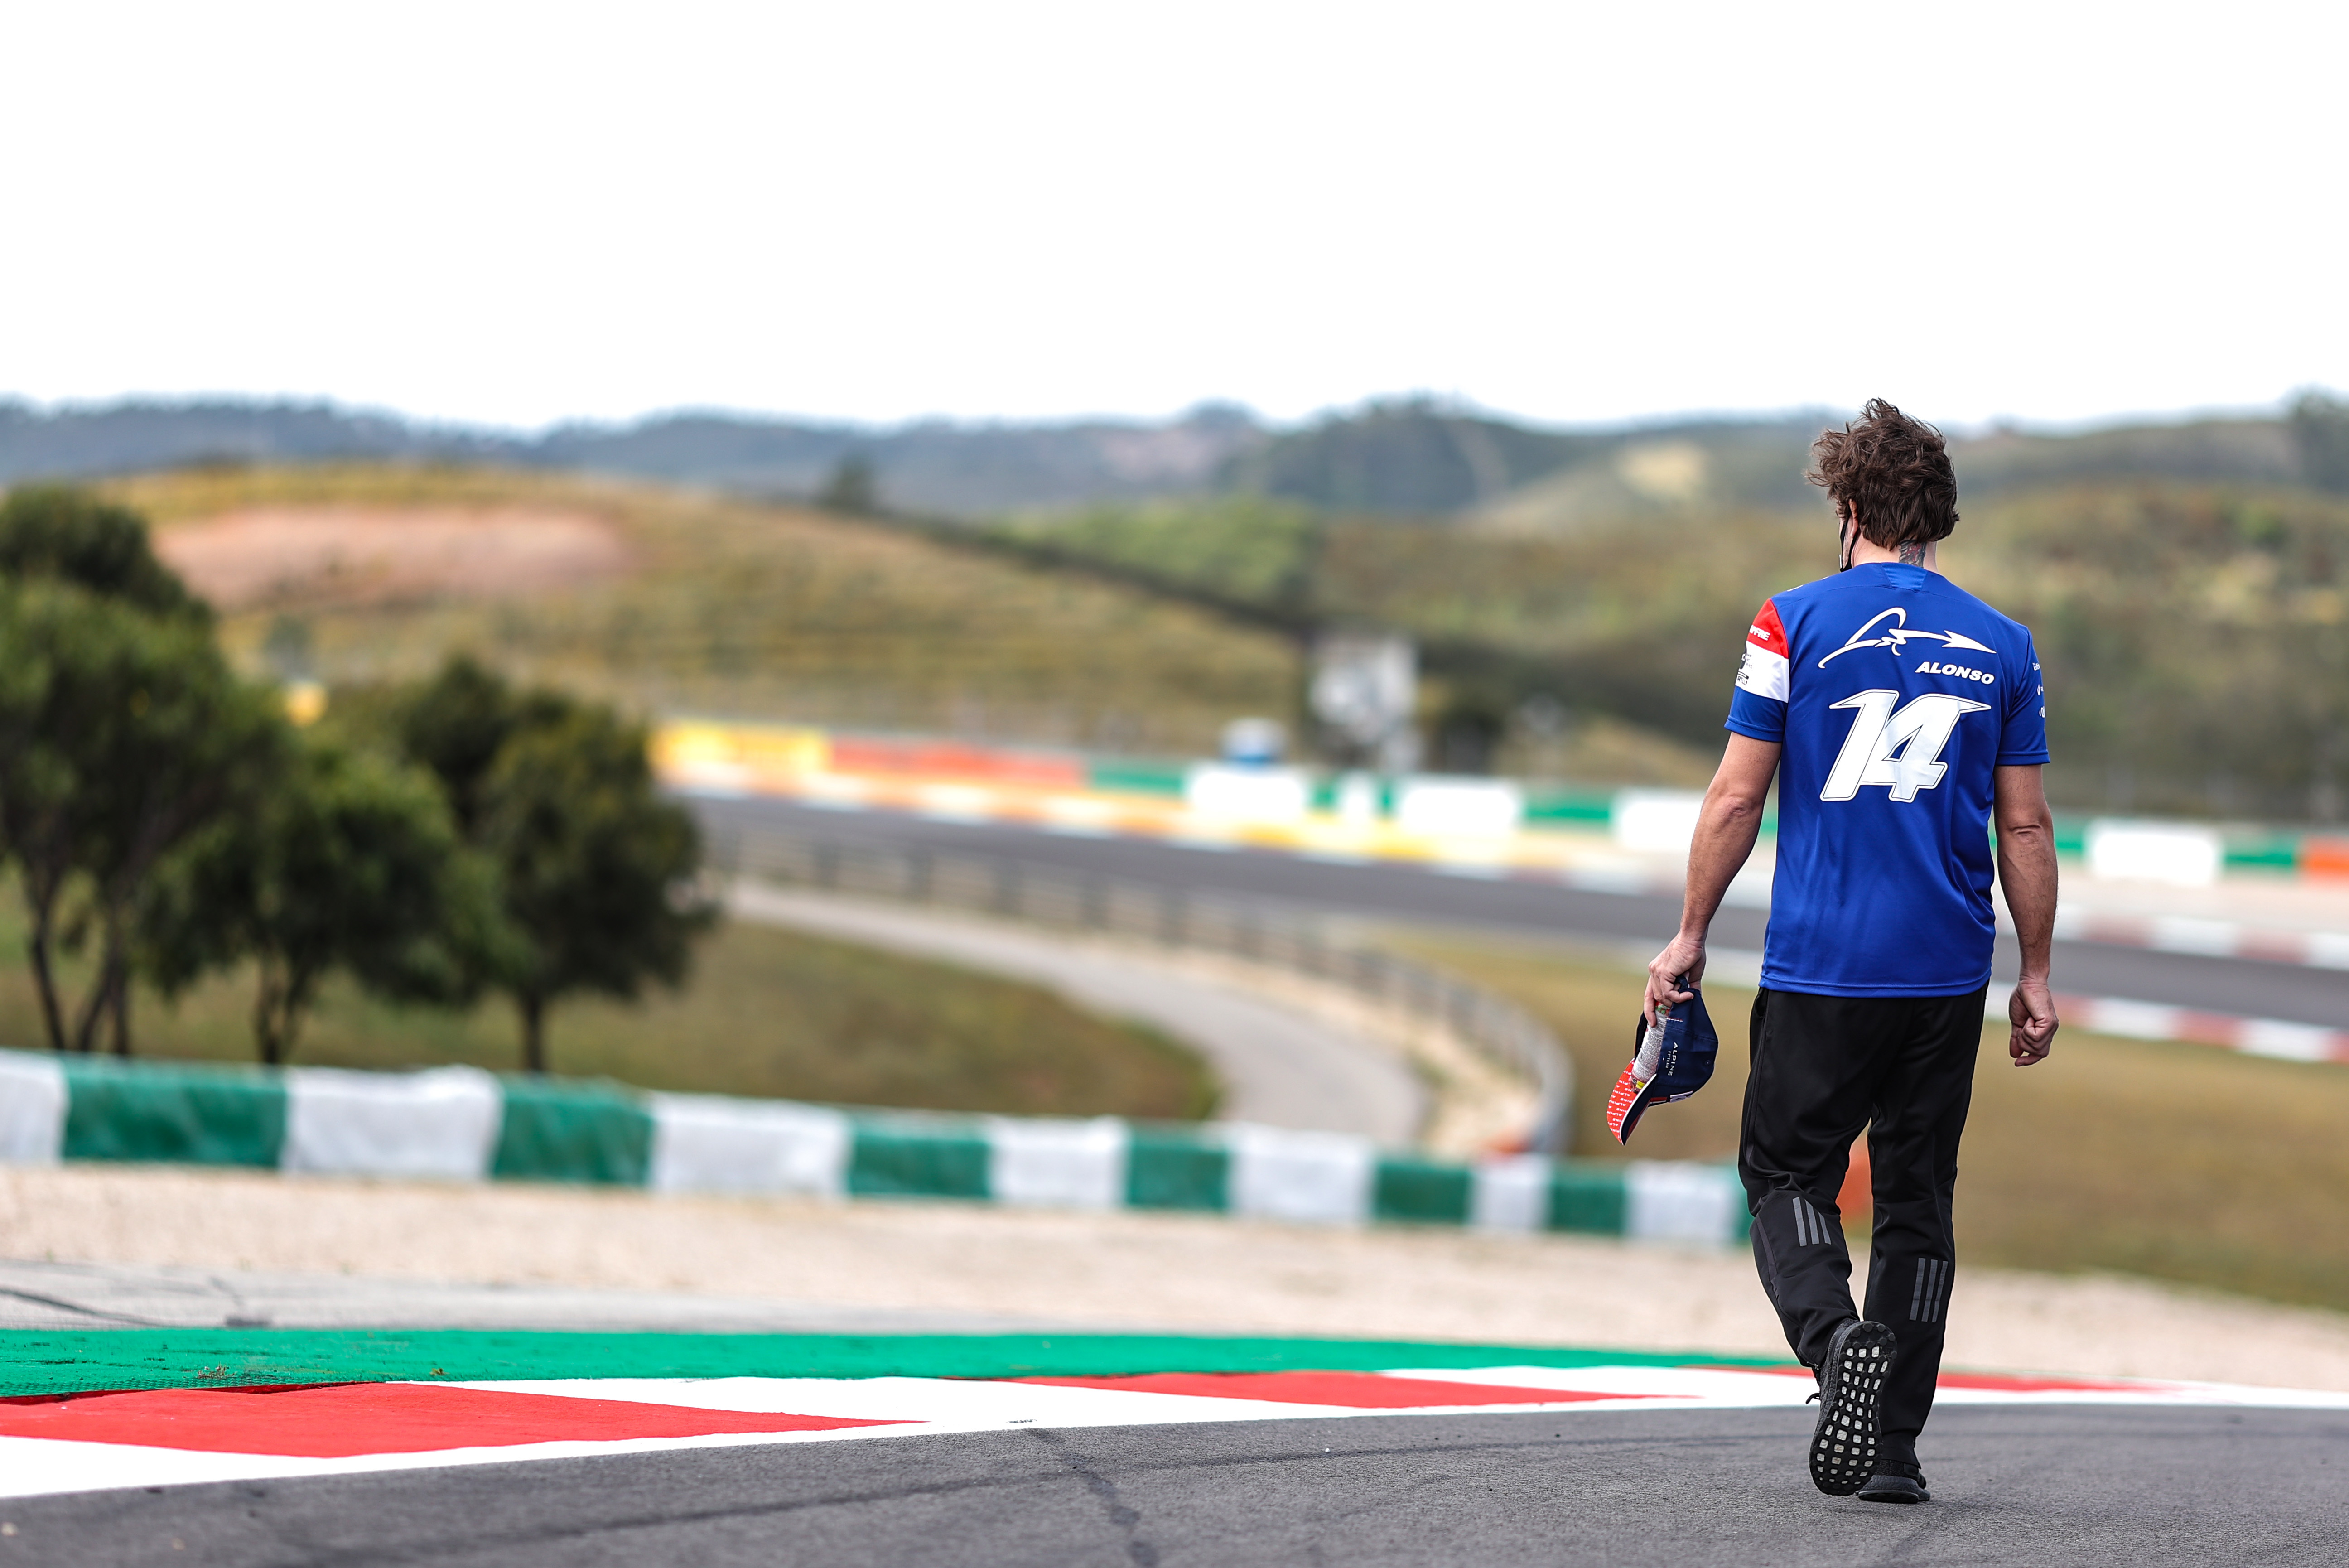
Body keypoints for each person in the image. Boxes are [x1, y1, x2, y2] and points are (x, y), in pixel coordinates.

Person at [1643, 399, 2060, 1504]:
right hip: (1943, 975)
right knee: (1918, 1204)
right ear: (1941, 517)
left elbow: (1738, 796)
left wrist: (1688, 935)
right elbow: (2023, 826)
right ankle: (1893, 1451)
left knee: (1786, 1174)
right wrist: (2035, 974)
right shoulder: (2003, 645)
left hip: (1822, 968)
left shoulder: (1791, 622)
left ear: (1845, 505)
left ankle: (1835, 1350)